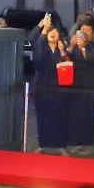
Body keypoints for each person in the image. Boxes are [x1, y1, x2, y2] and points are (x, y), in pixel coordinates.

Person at [29, 13, 70, 153]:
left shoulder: (61, 49)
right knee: (43, 115)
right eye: (50, 31)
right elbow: (31, 39)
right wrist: (42, 27)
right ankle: (42, 145)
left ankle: (61, 146)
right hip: (42, 84)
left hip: (58, 87)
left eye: (55, 31)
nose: (53, 33)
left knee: (60, 116)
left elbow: (67, 64)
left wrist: (62, 51)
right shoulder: (41, 46)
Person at [66, 17, 94, 155]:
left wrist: (82, 47)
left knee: (87, 114)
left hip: (88, 85)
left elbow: (91, 60)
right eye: (82, 30)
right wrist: (71, 45)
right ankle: (79, 143)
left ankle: (89, 144)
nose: (84, 32)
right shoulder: (75, 46)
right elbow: (66, 58)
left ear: (93, 32)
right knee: (76, 115)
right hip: (75, 83)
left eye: (88, 30)